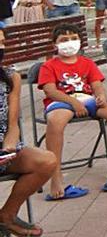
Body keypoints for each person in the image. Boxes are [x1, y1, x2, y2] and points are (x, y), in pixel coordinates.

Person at [39, 24, 107, 200]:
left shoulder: (87, 63)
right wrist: (73, 103)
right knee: (55, 122)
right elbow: (50, 91)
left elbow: (97, 84)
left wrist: (101, 96)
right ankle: (56, 175)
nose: (69, 43)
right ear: (55, 45)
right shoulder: (49, 66)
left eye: (73, 39)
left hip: (87, 99)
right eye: (63, 40)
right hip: (61, 101)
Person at [0, 54, 57, 235]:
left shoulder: (10, 77)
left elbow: (12, 124)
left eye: (2, 42)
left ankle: (6, 216)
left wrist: (9, 143)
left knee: (46, 161)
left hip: (2, 151)